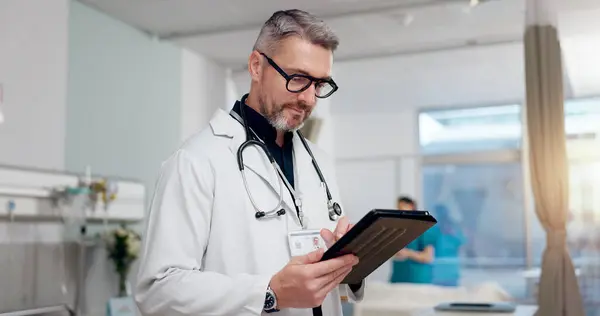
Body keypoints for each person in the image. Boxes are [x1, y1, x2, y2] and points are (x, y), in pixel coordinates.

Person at [134, 9, 364, 316]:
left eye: (319, 85)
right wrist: (269, 294)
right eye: (298, 79)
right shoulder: (196, 161)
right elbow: (158, 290)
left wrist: (350, 263)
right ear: (256, 66)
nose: (309, 99)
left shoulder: (318, 162)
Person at [390, 196, 440, 284]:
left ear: (412, 206)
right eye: (398, 208)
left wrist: (408, 253)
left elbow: (428, 257)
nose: (400, 212)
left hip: (418, 281)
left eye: (403, 208)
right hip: (398, 281)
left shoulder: (424, 228)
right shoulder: (397, 229)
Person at [430, 204, 465, 287]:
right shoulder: (434, 230)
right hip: (436, 272)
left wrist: (452, 232)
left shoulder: (454, 229)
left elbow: (462, 242)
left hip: (451, 272)